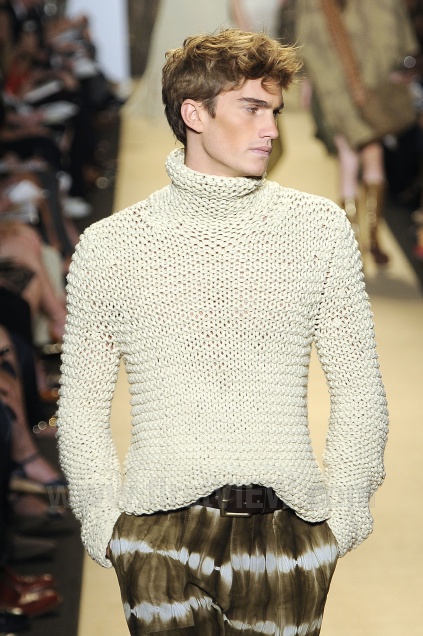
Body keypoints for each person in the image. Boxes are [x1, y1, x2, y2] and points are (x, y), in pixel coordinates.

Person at [57, 29, 388, 635]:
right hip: (155, 535)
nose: (272, 130)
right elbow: (80, 402)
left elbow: (359, 385)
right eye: (252, 108)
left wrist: (344, 514)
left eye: (275, 111)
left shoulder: (317, 229)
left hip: (287, 531)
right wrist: (103, 521)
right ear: (194, 113)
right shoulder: (111, 246)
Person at [296, 0, 419, 265]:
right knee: (371, 155)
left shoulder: (312, 5)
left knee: (348, 157)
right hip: (365, 86)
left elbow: (306, 43)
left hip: (335, 89)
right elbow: (398, 36)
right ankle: (371, 239)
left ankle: (353, 241)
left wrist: (308, 81)